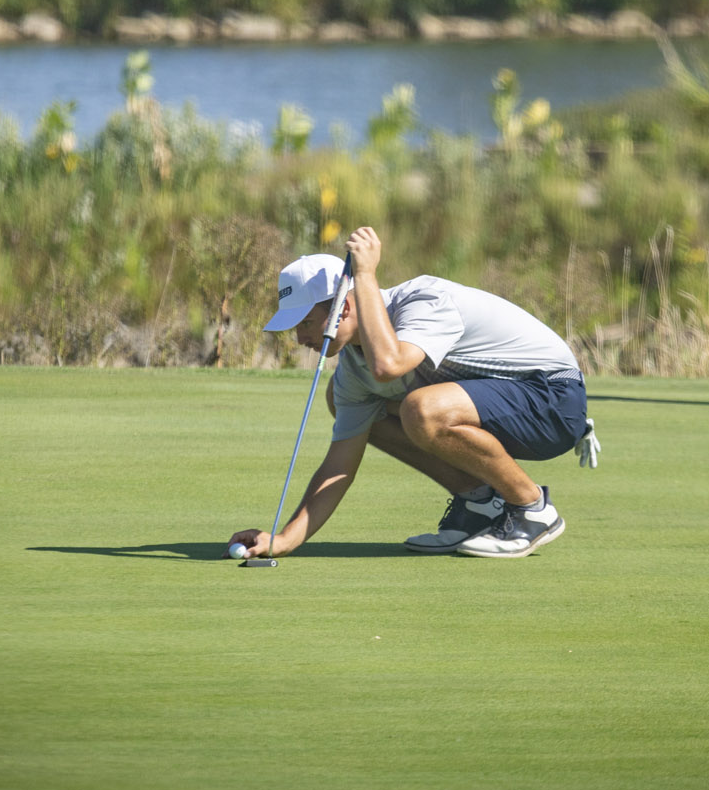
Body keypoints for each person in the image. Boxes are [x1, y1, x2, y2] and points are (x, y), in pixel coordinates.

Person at [228, 226, 599, 560]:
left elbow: (388, 365)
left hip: (554, 401)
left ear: (344, 306)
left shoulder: (424, 301)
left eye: (306, 322)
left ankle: (532, 509)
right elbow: (339, 466)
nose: (300, 338)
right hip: (510, 408)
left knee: (422, 409)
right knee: (355, 406)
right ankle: (479, 505)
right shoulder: (354, 371)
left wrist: (365, 274)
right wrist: (285, 540)